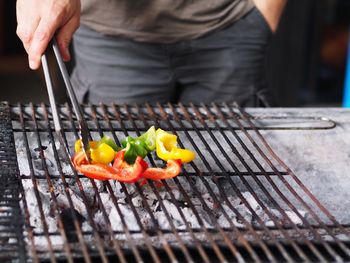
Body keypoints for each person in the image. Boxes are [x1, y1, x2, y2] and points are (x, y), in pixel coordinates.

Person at [16, 0, 286, 105]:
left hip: (230, 22)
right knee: (114, 193)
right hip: (109, 36)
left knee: (232, 181)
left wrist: (265, 15)